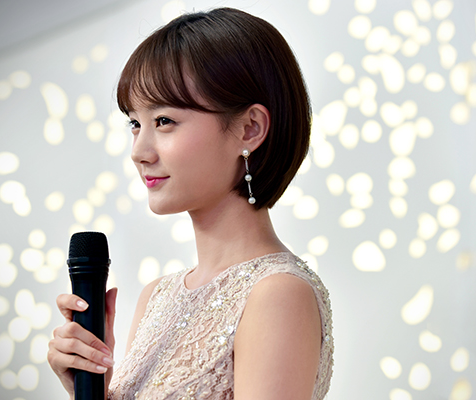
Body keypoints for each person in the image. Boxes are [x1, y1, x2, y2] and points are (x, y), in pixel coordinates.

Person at [48, 7, 333, 400]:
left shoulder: (277, 295)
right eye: (135, 123)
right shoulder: (156, 297)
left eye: (164, 121)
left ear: (250, 128)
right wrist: (89, 387)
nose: (139, 152)